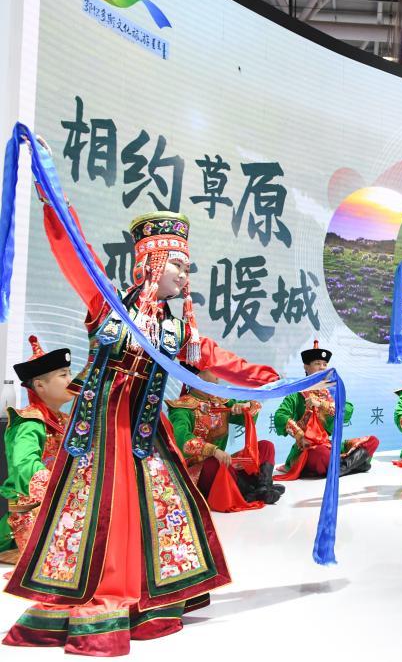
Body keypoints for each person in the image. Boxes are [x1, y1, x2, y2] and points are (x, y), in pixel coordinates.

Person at [4, 204, 280, 655]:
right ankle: (106, 597)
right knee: (105, 514)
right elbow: (75, 253)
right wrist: (55, 203)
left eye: (187, 267)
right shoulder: (109, 305)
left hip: (147, 436)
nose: (185, 274)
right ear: (152, 261)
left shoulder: (176, 329)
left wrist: (281, 381)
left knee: (156, 512)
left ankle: (146, 598)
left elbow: (225, 362)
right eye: (177, 264)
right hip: (102, 436)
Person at [0, 337, 73, 565]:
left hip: (60, 506)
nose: (70, 380)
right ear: (40, 385)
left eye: (69, 373)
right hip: (33, 514)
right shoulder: (28, 422)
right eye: (63, 375)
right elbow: (25, 467)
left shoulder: (67, 421)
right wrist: (65, 488)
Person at [167, 365, 282, 509]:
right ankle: (250, 491)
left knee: (266, 446)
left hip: (224, 463)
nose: (218, 374)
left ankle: (263, 487)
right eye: (211, 369)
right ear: (197, 375)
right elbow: (182, 440)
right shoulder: (181, 408)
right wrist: (214, 451)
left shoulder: (220, 401)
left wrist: (246, 406)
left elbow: (252, 413)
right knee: (214, 463)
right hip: (200, 471)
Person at [273, 340, 379, 480]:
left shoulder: (331, 390)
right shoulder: (297, 392)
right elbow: (280, 416)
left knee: (372, 441)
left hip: (328, 444)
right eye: (317, 363)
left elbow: (347, 411)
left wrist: (321, 404)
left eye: (324, 364)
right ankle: (355, 464)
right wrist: (300, 435)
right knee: (322, 455)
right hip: (307, 448)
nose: (322, 368)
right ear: (306, 366)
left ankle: (338, 468)